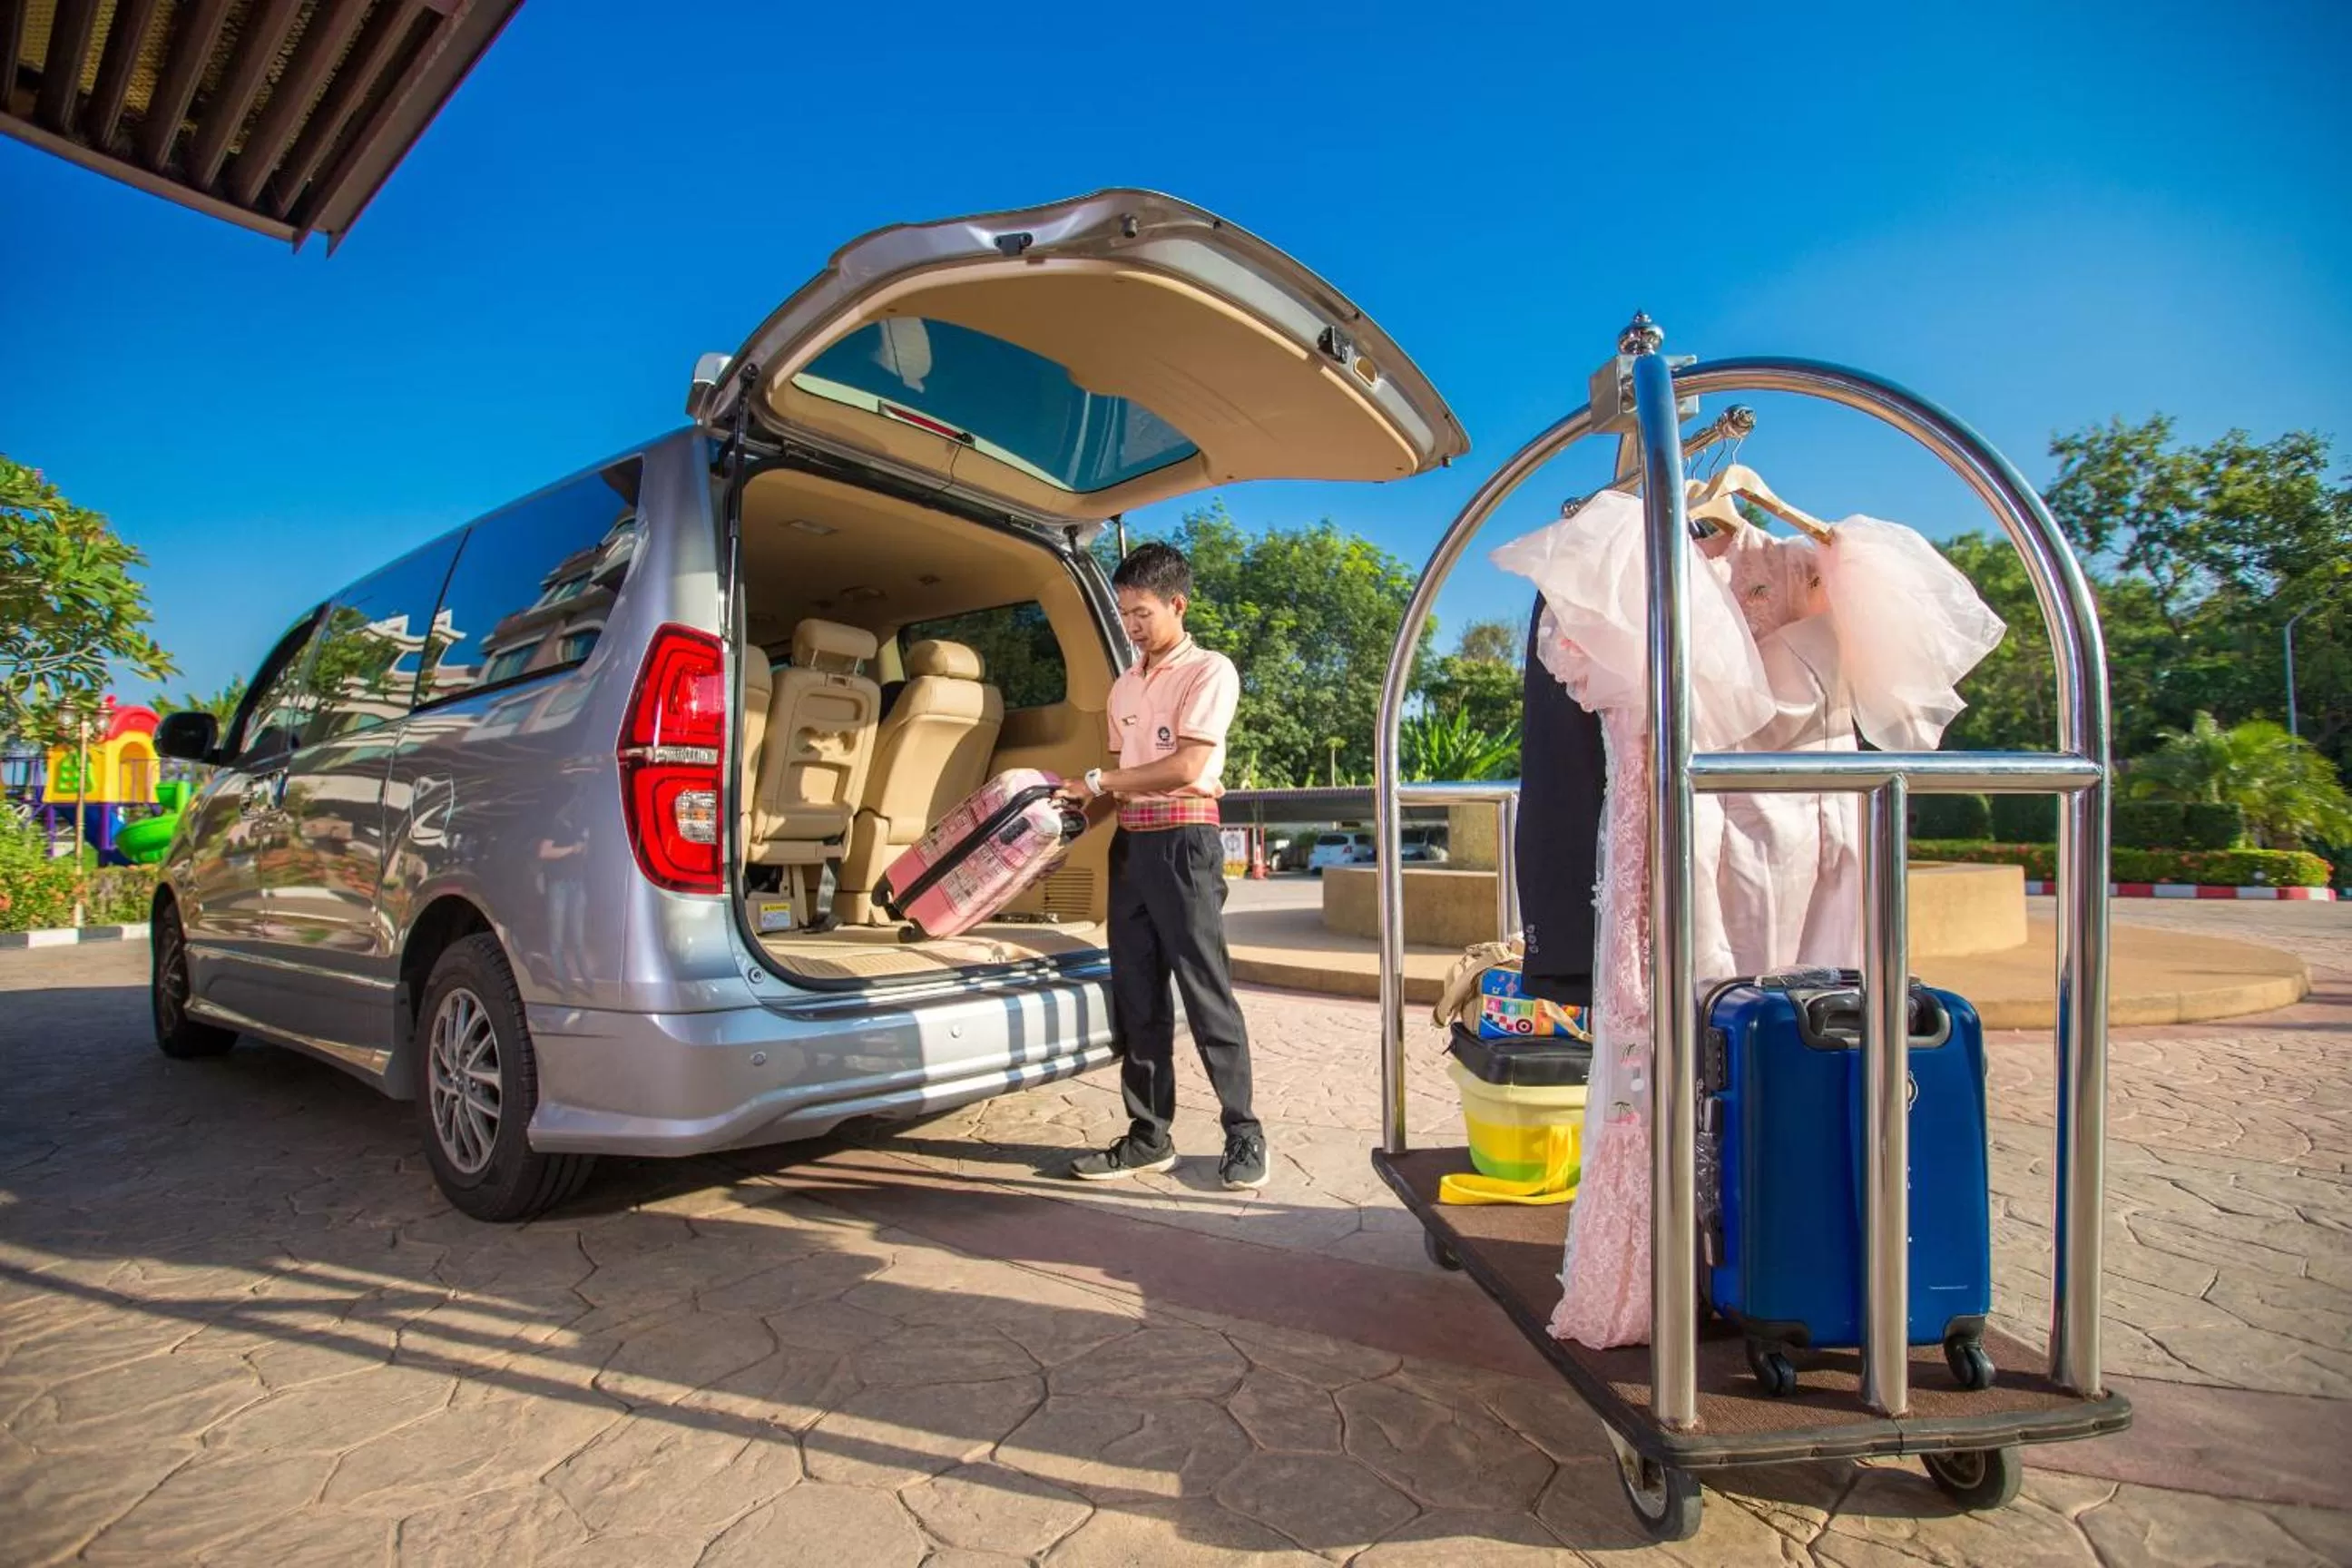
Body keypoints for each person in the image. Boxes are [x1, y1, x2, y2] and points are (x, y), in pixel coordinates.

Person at [1059, 542, 1267, 1191]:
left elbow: (1182, 769)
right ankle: (1149, 1135)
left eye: (1142, 611)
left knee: (1206, 993)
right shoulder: (1125, 684)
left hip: (1186, 845)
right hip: (1132, 848)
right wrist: (1062, 831)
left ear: (1177, 604)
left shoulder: (1210, 672)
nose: (1131, 625)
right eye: (1123, 612)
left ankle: (1244, 1134)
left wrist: (1095, 778)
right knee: (1138, 997)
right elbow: (1117, 787)